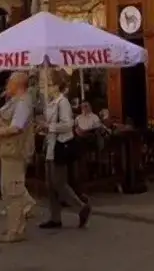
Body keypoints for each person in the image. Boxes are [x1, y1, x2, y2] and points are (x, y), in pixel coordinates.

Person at [0, 71, 36, 244]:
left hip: (15, 151)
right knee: (9, 190)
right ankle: (15, 226)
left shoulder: (23, 103)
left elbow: (16, 128)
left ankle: (16, 231)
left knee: (13, 191)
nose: (7, 85)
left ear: (18, 84)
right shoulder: (15, 101)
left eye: (9, 83)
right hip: (9, 150)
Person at [41, 72, 90, 231]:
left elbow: (68, 125)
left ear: (56, 86)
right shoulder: (50, 102)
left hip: (60, 146)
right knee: (50, 184)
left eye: (49, 84)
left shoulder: (63, 103)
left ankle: (81, 207)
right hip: (50, 145)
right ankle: (55, 217)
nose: (46, 87)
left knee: (59, 183)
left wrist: (50, 127)